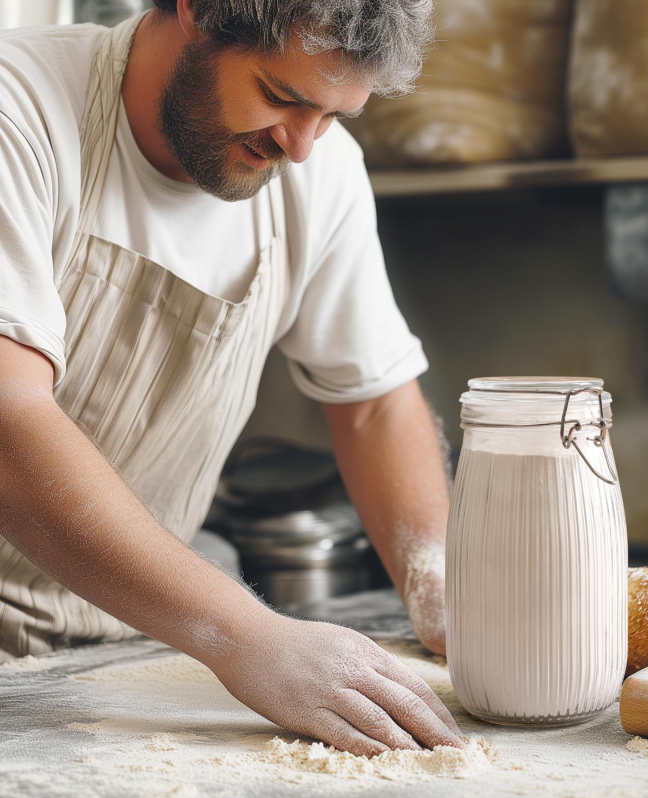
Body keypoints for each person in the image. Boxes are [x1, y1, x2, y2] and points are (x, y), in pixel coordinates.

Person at [0, 0, 463, 756]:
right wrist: (246, 636)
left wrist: (442, 589)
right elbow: (8, 421)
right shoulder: (20, 112)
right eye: (280, 96)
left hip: (116, 648)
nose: (301, 146)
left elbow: (375, 407)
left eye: (333, 115)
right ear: (197, 11)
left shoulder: (320, 175)